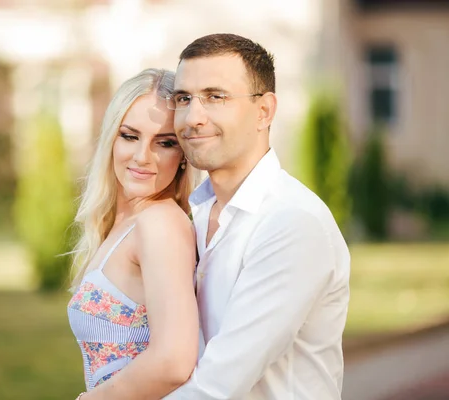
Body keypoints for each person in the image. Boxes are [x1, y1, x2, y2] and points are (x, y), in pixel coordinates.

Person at [162, 33, 351, 399]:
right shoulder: (194, 214)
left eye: (215, 97)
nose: (192, 117)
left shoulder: (291, 222)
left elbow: (217, 385)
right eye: (184, 98)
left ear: (264, 111)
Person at [67, 68, 200, 400]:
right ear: (112, 138)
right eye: (130, 136)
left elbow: (173, 361)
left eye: (165, 143)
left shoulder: (160, 224)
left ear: (183, 156)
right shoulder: (127, 222)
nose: (143, 157)